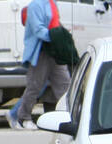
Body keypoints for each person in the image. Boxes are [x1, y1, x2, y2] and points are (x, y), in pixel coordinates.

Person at [8, 0, 71, 130]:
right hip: (41, 51)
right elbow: (38, 29)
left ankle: (69, 116)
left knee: (64, 84)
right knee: (35, 86)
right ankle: (22, 118)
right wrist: (55, 36)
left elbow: (55, 23)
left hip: (54, 51)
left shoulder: (52, 3)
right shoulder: (35, 6)